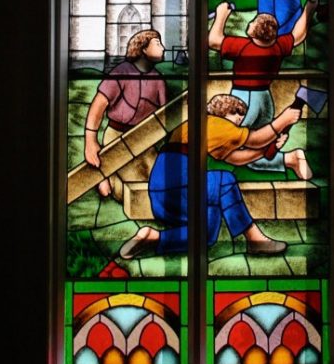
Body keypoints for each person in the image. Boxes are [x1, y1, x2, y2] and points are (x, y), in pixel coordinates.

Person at [118, 94, 302, 260]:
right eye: (237, 120)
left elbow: (236, 158)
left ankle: (153, 237)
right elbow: (255, 139)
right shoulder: (211, 123)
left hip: (165, 198)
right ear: (225, 113)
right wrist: (283, 120)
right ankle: (255, 240)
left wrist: (266, 151)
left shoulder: (206, 133)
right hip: (178, 183)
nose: (237, 127)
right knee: (225, 180)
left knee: (206, 234)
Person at [209, 0, 317, 178]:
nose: (250, 23)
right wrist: (308, 10)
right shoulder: (278, 47)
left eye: (252, 22)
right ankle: (291, 159)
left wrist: (221, 15)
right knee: (262, 142)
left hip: (244, 99)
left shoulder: (244, 47)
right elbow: (298, 35)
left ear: (255, 31)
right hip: (265, 99)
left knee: (235, 147)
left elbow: (213, 41)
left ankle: (290, 159)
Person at [84, 29, 166, 199]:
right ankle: (106, 176)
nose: (163, 48)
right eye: (158, 44)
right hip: (117, 136)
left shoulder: (158, 79)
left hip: (145, 139)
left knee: (158, 180)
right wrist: (90, 142)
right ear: (143, 48)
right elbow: (98, 105)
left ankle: (107, 175)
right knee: (129, 189)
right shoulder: (122, 72)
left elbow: (165, 114)